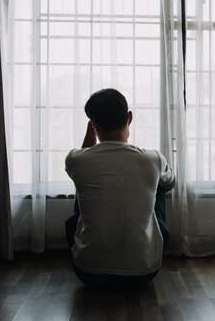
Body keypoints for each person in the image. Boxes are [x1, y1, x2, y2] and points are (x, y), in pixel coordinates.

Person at [65, 88, 175, 289]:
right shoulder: (154, 159)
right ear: (129, 117)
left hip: (88, 272)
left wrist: (91, 131)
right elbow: (171, 182)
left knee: (83, 184)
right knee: (159, 185)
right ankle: (145, 248)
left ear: (94, 124)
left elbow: (83, 157)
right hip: (144, 272)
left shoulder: (76, 159)